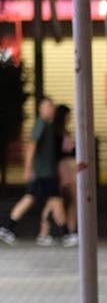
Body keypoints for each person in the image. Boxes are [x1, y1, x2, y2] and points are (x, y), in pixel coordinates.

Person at [1, 96, 60, 245]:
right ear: (41, 109)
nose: (50, 109)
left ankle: (43, 232)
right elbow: (31, 145)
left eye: (51, 106)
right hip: (42, 173)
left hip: (46, 173)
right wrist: (28, 169)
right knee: (45, 199)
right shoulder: (40, 124)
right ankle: (65, 232)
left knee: (48, 200)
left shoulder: (47, 125)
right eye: (47, 106)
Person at [44, 103, 78, 246]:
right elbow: (56, 153)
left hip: (67, 167)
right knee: (56, 200)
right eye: (67, 116)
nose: (69, 119)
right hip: (60, 168)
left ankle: (70, 230)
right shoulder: (55, 132)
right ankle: (63, 231)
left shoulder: (64, 131)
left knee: (65, 200)